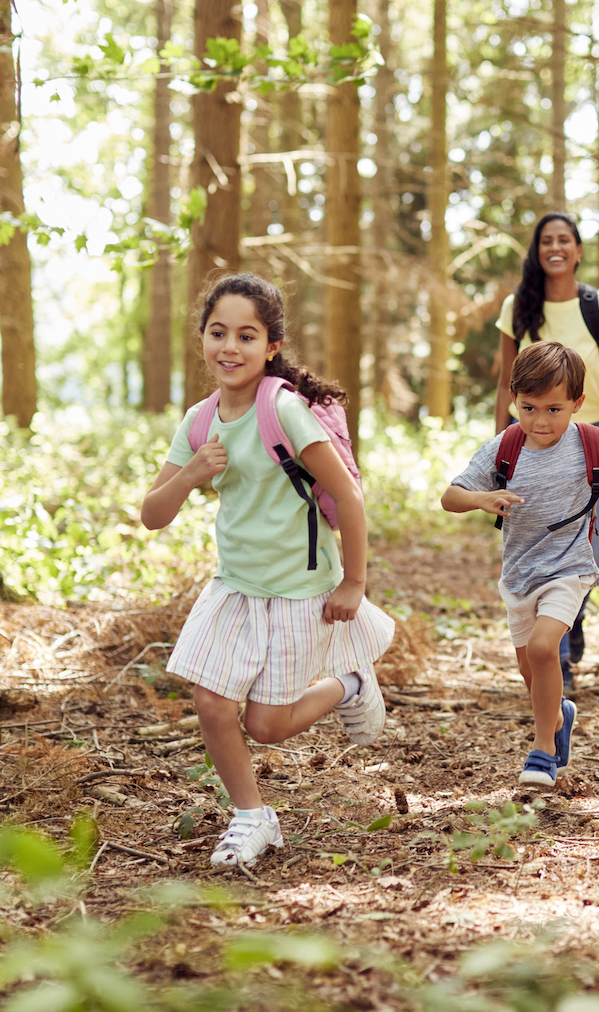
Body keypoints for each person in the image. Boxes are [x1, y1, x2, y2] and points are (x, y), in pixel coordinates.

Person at [141, 272, 394, 868]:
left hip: (299, 590)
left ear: (271, 346)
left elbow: (349, 497)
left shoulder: (282, 410)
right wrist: (191, 474)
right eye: (218, 332)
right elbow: (153, 514)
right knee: (210, 704)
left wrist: (354, 583)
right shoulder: (200, 420)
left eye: (246, 336)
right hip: (234, 586)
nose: (230, 347)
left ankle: (351, 681)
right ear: (202, 338)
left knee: (269, 726)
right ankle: (253, 817)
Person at [444, 341, 599, 787]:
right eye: (528, 408)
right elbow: (450, 496)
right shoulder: (503, 447)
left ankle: (542, 750)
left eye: (553, 409)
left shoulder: (592, 442)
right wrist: (481, 499)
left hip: (570, 569)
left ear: (577, 404)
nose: (540, 421)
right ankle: (559, 716)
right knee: (532, 674)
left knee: (547, 649)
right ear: (513, 399)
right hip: (519, 577)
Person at [493, 213, 599, 695]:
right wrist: (500, 447)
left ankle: (563, 645)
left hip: (591, 436)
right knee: (534, 541)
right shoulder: (518, 306)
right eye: (546, 241)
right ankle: (549, 643)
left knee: (584, 543)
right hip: (529, 439)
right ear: (537, 251)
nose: (555, 248)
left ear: (577, 250)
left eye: (565, 240)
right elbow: (503, 381)